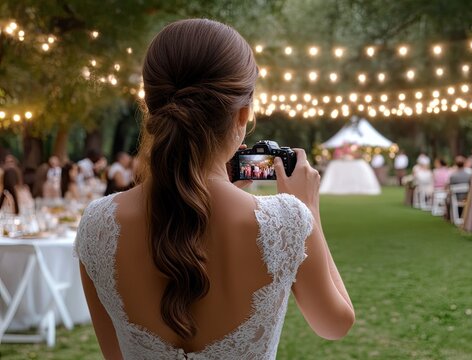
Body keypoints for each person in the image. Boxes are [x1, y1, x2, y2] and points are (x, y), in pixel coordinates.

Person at [75, 19, 353, 360]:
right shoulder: (287, 220)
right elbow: (335, 324)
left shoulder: (96, 225)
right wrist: (309, 210)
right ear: (243, 115)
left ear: (149, 107)